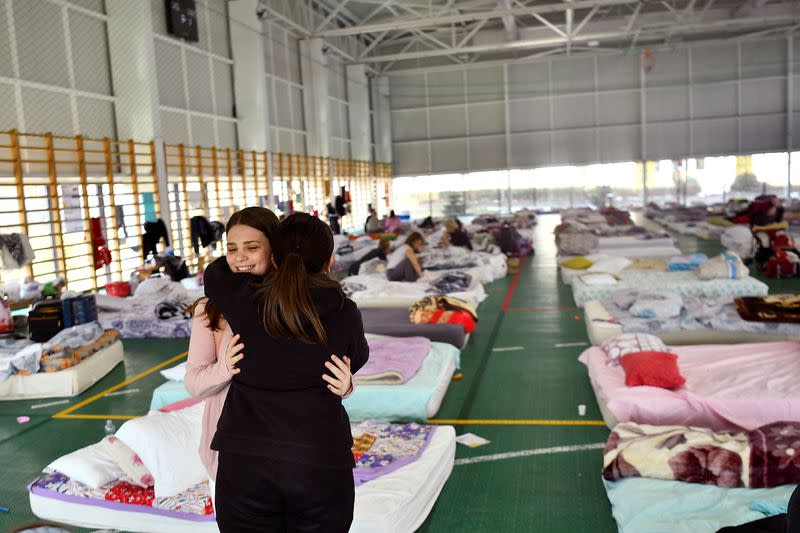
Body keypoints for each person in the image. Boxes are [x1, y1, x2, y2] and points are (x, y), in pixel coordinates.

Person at [204, 212, 369, 532]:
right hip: (318, 461)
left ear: (274, 258)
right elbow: (355, 360)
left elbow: (215, 272)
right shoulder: (343, 310)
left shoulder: (244, 298)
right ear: (331, 260)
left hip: (244, 462)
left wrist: (265, 261)